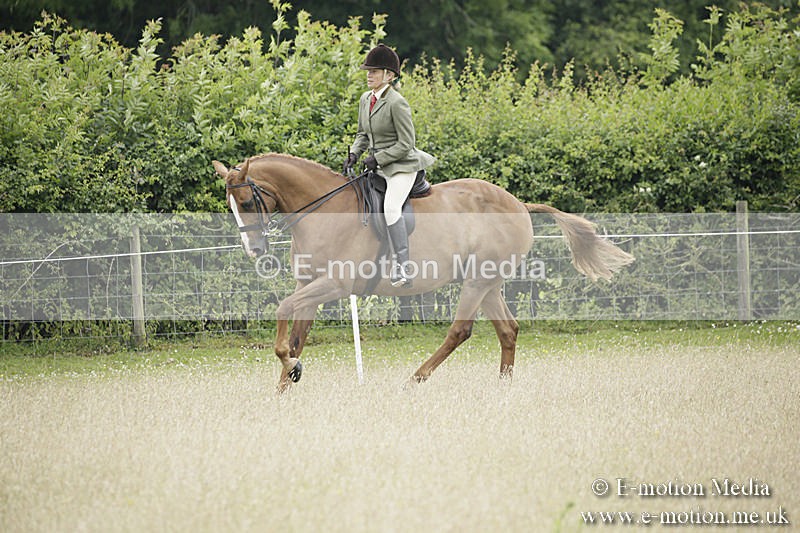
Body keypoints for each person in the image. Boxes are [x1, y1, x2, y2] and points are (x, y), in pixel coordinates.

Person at [343, 44, 435, 288]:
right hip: (378, 166)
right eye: (368, 70)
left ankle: (403, 268)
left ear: (390, 75)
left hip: (402, 166)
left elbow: (407, 144)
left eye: (374, 71)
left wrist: (379, 159)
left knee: (391, 208)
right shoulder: (366, 99)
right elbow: (363, 133)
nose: (369, 74)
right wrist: (354, 153)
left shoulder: (397, 103)